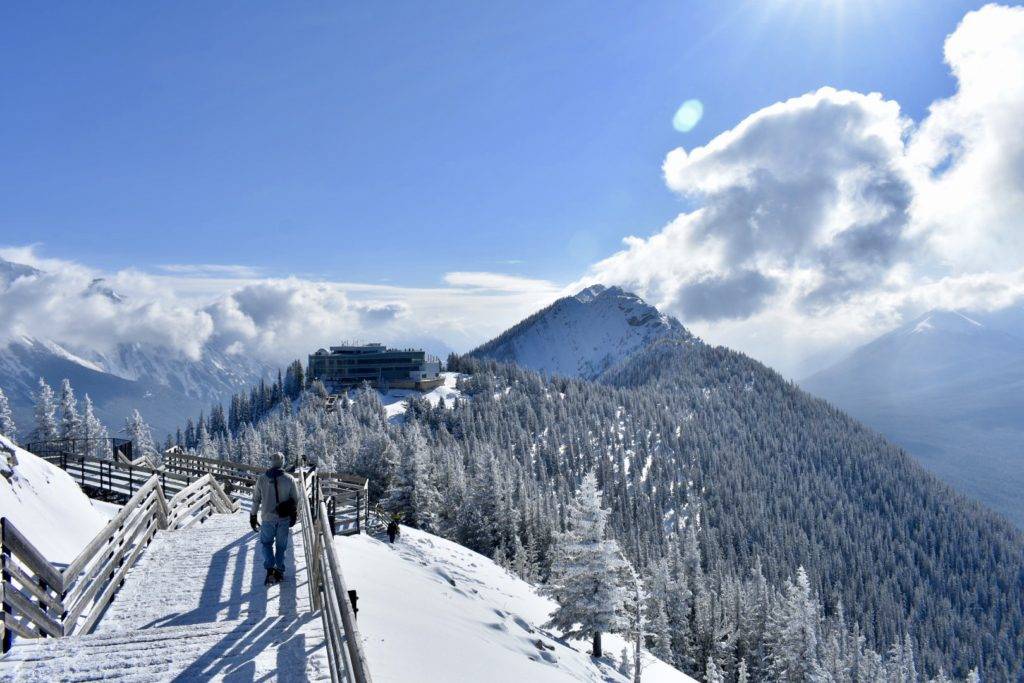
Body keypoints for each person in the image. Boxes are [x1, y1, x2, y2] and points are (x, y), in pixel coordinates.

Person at [250, 452, 298, 586]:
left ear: (271, 462)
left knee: (266, 544)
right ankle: (280, 570)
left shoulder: (262, 479)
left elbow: (256, 500)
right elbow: (296, 499)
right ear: (282, 462)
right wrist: (294, 515)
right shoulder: (289, 479)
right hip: (283, 519)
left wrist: (253, 516)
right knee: (281, 546)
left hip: (267, 518)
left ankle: (270, 569)